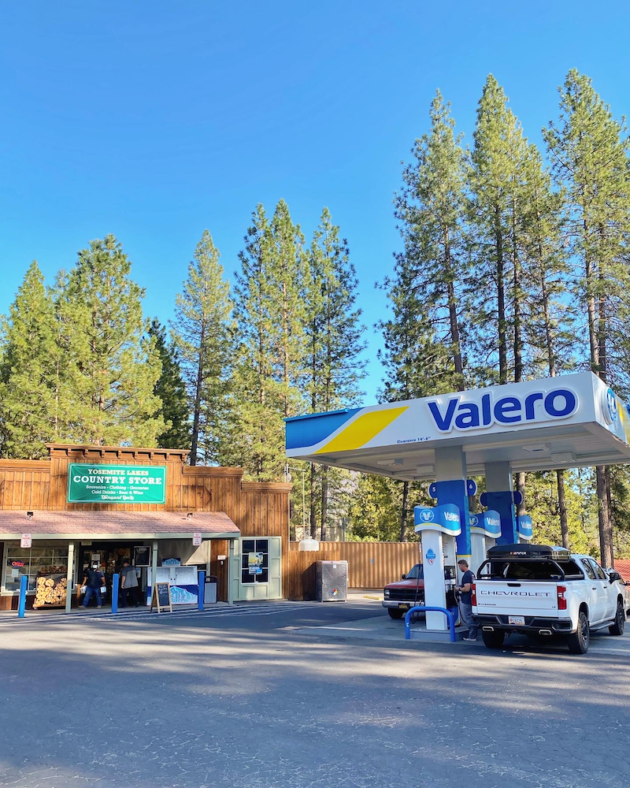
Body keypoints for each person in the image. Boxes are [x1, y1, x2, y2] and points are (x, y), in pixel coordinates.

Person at [455, 559, 477, 642]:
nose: (459, 568)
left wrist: (458, 588)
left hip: (467, 600)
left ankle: (472, 636)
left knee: (469, 618)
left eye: (459, 566)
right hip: (472, 599)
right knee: (472, 617)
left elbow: (467, 588)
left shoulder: (466, 575)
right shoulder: (471, 574)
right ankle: (473, 635)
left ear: (462, 565)